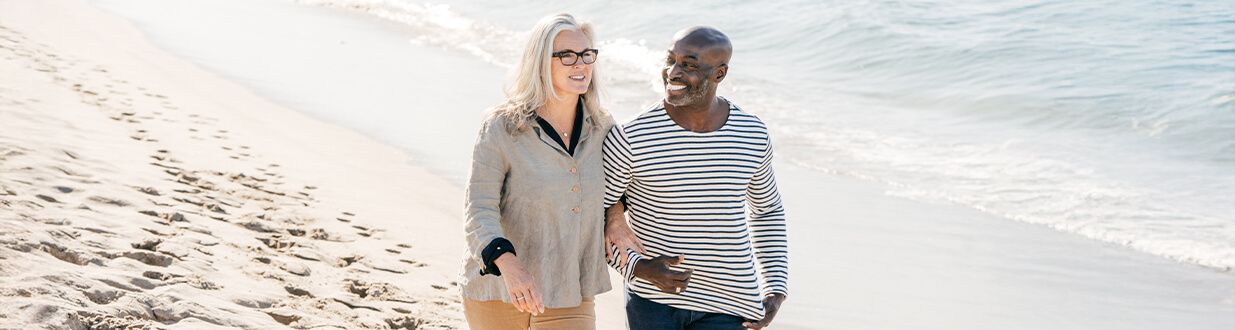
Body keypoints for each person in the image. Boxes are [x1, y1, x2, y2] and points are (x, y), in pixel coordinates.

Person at [602, 26, 789, 330]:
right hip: (652, 302)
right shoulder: (631, 137)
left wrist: (775, 288)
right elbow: (597, 214)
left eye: (688, 65)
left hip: (730, 304)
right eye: (670, 60)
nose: (672, 72)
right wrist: (639, 268)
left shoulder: (751, 134)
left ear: (719, 74)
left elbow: (767, 209)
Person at [461, 13, 614, 330]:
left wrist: (617, 218)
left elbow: (622, 187)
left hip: (570, 291)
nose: (581, 64)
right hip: (497, 290)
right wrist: (509, 264)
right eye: (567, 56)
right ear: (541, 61)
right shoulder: (502, 127)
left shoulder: (603, 128)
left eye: (587, 54)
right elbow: (479, 207)